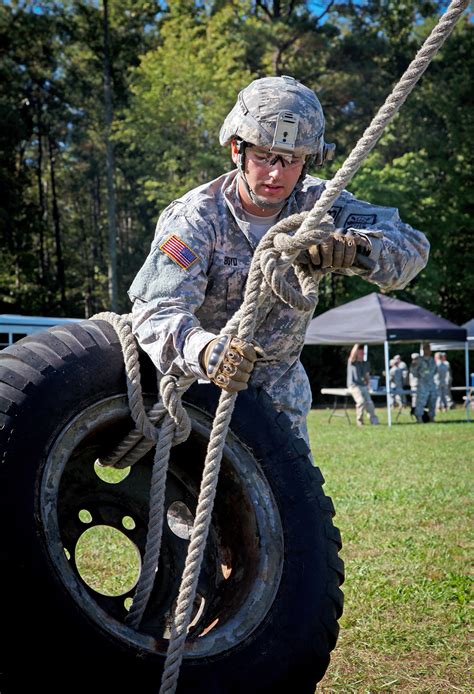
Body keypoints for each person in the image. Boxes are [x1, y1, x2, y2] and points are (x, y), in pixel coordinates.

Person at [128, 75, 429, 447]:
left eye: (290, 160)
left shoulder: (320, 206)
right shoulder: (197, 219)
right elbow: (156, 311)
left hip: (280, 407)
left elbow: (413, 248)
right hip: (197, 402)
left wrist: (359, 249)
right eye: (264, 156)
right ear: (236, 151)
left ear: (308, 161)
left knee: (290, 507)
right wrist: (205, 351)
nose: (276, 173)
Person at [347, 344, 379, 426]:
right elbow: (352, 355)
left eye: (363, 353)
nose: (362, 354)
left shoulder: (366, 363)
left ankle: (374, 421)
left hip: (363, 386)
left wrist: (368, 385)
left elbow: (367, 375)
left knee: (369, 403)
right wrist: (358, 343)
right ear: (357, 353)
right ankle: (360, 421)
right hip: (354, 386)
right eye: (360, 353)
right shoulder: (352, 362)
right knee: (361, 401)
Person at [411, 342, 437, 422]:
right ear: (423, 350)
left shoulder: (432, 360)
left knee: (432, 401)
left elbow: (435, 371)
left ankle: (432, 417)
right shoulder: (419, 360)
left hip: (431, 384)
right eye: (426, 348)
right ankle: (419, 418)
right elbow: (413, 371)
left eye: (429, 348)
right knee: (421, 402)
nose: (428, 350)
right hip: (423, 384)